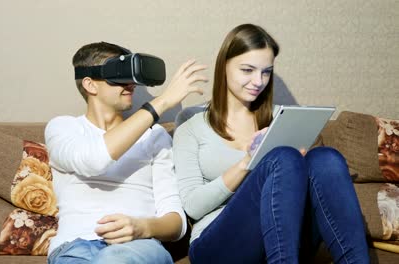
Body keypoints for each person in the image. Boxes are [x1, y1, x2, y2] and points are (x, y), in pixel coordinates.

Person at [173, 24, 370, 264]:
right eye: (248, 70)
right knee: (283, 157)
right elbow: (193, 206)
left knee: (325, 158)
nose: (258, 81)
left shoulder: (282, 118)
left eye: (266, 72)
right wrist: (248, 162)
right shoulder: (191, 125)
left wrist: (299, 168)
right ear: (224, 65)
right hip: (217, 245)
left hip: (284, 236)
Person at [45, 42, 207, 263]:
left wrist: (141, 227)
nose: (130, 84)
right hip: (73, 248)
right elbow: (94, 161)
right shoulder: (63, 128)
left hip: (137, 247)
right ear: (90, 85)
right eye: (119, 75)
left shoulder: (155, 136)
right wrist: (161, 103)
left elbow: (176, 223)